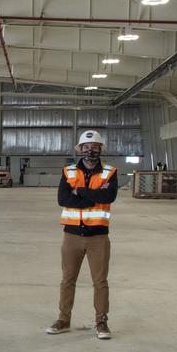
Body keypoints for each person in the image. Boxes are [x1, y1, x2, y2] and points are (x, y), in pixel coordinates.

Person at [48, 129, 117, 339]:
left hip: (98, 236)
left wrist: (79, 191)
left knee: (100, 281)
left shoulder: (110, 172)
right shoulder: (68, 171)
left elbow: (109, 195)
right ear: (80, 149)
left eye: (94, 147)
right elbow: (63, 199)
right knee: (67, 279)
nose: (90, 150)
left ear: (100, 149)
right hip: (72, 236)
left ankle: (101, 322)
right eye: (86, 147)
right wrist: (93, 198)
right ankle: (64, 319)